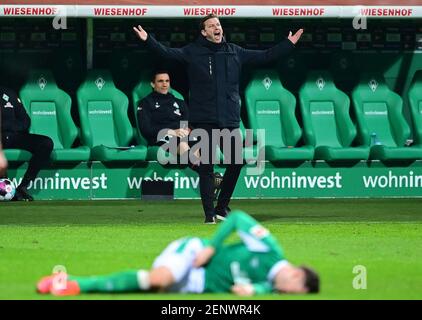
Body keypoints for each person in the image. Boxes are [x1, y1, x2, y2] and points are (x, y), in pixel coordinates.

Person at [133, 15, 304, 224]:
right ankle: (209, 216)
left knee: (236, 161)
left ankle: (221, 207)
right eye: (211, 25)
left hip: (229, 120)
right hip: (203, 120)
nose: (217, 27)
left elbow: (266, 56)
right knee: (206, 167)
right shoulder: (192, 52)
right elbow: (167, 53)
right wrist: (147, 39)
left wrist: (288, 44)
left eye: (218, 24)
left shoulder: (235, 52)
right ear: (204, 32)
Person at [36, 210, 319, 296]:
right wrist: (212, 246)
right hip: (193, 254)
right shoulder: (270, 249)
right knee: (158, 278)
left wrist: (251, 292)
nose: (285, 294)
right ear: (296, 276)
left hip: (197, 286)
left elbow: (256, 290)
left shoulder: (270, 288)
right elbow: (237, 219)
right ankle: (73, 283)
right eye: (292, 291)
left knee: (148, 288)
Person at [0, 86, 53, 201]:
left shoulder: (9, 94)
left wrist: (10, 127)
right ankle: (3, 185)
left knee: (46, 143)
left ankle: (23, 186)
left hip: (15, 136)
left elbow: (25, 121)